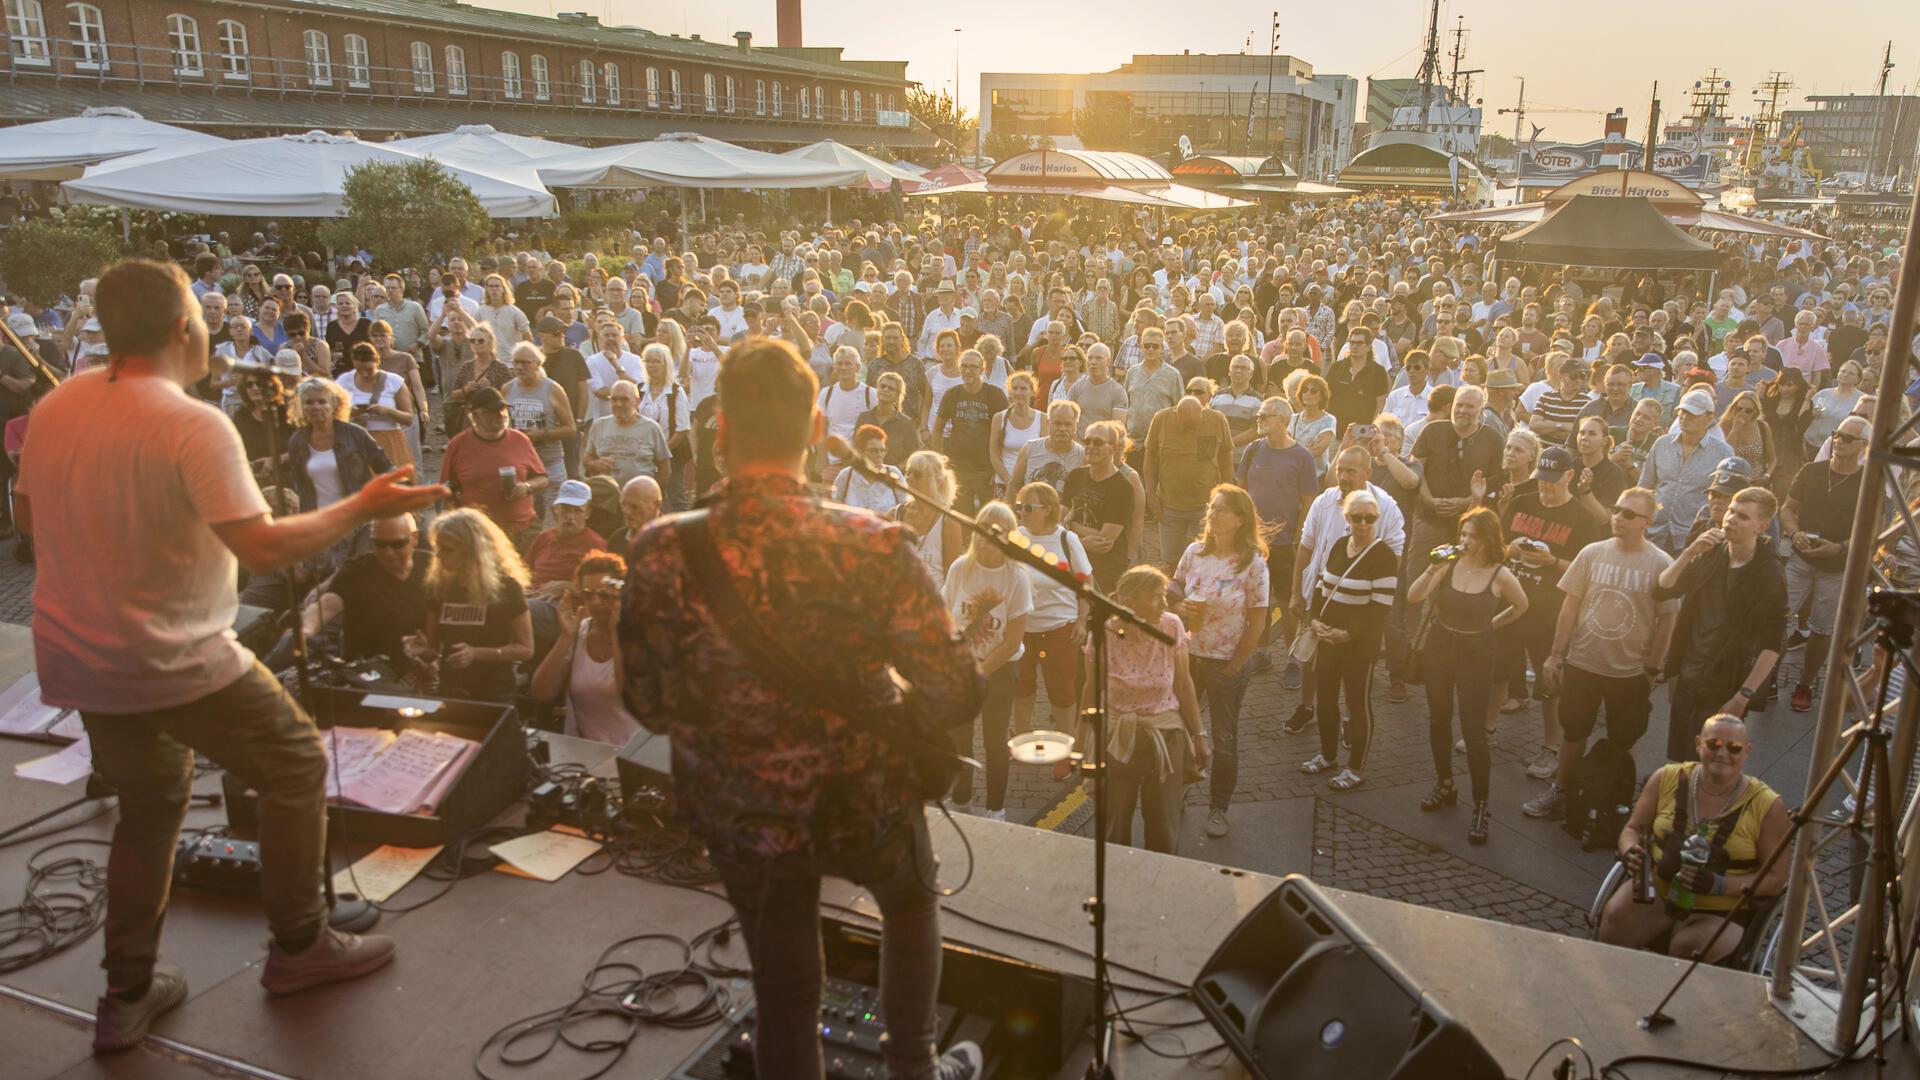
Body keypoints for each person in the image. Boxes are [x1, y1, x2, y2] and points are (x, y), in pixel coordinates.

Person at [25, 259, 442, 1052]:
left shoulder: (55, 407)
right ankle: (299, 947)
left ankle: (127, 994)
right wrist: (364, 504)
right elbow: (263, 547)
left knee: (148, 811)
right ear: (186, 326)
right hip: (171, 654)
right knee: (293, 766)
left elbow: (36, 511)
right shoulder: (191, 422)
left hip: (78, 656)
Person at [618, 336, 987, 1080]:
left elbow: (647, 703)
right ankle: (914, 1067)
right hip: (866, 799)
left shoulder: (662, 551)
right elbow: (956, 692)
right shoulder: (871, 544)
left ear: (717, 431)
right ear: (818, 431)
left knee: (784, 989)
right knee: (911, 901)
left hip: (739, 810)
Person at [1527, 487, 1678, 820]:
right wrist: (1556, 654)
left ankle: (1617, 802)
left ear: (1647, 523)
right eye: (1616, 510)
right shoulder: (1592, 553)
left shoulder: (1660, 564)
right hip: (1583, 663)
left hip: (1629, 672)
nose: (1618, 518)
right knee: (1574, 733)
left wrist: (1652, 669)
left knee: (1624, 739)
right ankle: (1560, 792)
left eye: (1628, 514)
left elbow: (1668, 620)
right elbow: (1570, 605)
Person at [1600, 715, 1790, 964]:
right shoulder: (1666, 778)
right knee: (1615, 922)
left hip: (1721, 907)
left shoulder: (1768, 806)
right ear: (1699, 744)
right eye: (1714, 744)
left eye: (1733, 748)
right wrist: (1630, 850)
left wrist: (1719, 884)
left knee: (1688, 946)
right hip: (1659, 890)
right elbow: (1633, 828)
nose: (1722, 753)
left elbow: (1775, 879)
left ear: (1747, 752)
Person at [1407, 507, 1529, 844]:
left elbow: (1522, 606)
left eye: (1472, 536)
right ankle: (1444, 782)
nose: (1465, 541)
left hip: (1477, 651)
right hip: (1441, 645)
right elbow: (1413, 596)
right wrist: (1434, 568)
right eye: (1463, 534)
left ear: (1489, 538)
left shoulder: (1500, 574)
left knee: (1474, 730)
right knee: (1438, 718)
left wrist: (1492, 624)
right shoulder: (1448, 565)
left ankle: (1480, 803)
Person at [1077, 564, 1207, 855]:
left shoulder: (1171, 625)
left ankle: (1158, 883)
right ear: (1129, 601)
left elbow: (1184, 685)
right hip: (1117, 737)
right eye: (1155, 596)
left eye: (1164, 596)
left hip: (1165, 736)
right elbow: (1090, 691)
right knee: (1114, 824)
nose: (1164, 603)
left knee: (1163, 825)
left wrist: (1199, 736)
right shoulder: (1101, 634)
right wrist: (1079, 744)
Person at [1498, 446, 1606, 783]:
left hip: (1551, 611)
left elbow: (1589, 571)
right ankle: (1487, 728)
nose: (1545, 487)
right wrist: (1509, 550)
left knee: (1550, 680)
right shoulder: (1521, 502)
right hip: (1511, 600)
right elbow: (1496, 546)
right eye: (1541, 480)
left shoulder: (1582, 519)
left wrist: (1553, 563)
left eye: (1552, 482)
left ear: (1570, 476)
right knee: (1496, 667)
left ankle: (1550, 747)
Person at [1658, 486, 1786, 761]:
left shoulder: (1769, 573)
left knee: (1711, 761)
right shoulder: (1711, 553)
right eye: (1730, 511)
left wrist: (1743, 696)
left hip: (1725, 682)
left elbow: (1773, 643)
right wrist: (1688, 552)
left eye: (1741, 516)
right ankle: (1679, 801)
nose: (1730, 519)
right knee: (1680, 756)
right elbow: (1665, 586)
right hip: (1688, 671)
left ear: (1761, 526)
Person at [1173, 484, 1269, 833]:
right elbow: (1175, 586)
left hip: (1225, 662)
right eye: (1211, 508)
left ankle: (1218, 808)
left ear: (1240, 520)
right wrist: (1178, 603)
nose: (1212, 514)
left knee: (1224, 739)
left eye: (1221, 509)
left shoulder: (1252, 563)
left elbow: (1258, 620)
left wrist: (1234, 665)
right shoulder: (1194, 552)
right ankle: (1179, 790)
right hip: (1188, 657)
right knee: (1180, 729)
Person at [1297, 489, 1399, 793]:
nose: (1364, 524)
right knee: (1326, 700)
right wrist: (1315, 620)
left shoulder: (1383, 557)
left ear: (1377, 520)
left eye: (1370, 518)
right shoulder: (1340, 545)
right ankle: (1328, 755)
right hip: (1327, 638)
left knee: (1357, 703)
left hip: (1358, 645)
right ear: (1347, 519)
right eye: (1357, 518)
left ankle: (1356, 767)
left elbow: (1379, 609)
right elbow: (1320, 586)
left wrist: (1348, 634)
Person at [942, 500, 1032, 820]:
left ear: (1008, 537)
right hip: (962, 668)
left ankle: (996, 808)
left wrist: (981, 671)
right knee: (960, 738)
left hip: (1000, 671)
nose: (983, 539)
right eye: (980, 529)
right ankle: (962, 799)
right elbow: (946, 620)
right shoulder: (959, 568)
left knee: (994, 742)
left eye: (993, 533)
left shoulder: (1016, 578)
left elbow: (1012, 641)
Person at [1780, 415, 1869, 713]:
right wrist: (1795, 533)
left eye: (1847, 437)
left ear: (1863, 445)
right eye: (1837, 434)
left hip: (1837, 566)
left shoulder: (1868, 481)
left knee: (1822, 629)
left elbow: (1871, 530)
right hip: (1800, 558)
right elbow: (1788, 509)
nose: (1839, 440)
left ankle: (1805, 683)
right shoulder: (1812, 471)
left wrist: (1840, 547)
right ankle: (1766, 677)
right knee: (1778, 617)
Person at [403, 508, 534, 702]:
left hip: (495, 694)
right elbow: (433, 648)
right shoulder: (440, 589)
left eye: (447, 549)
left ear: (472, 551)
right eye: (437, 548)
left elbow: (526, 648)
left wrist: (476, 653)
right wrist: (422, 650)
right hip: (451, 692)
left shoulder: (506, 588)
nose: (438, 555)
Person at [1236, 397, 1317, 675]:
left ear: (1283, 420)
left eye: (1265, 416)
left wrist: (1298, 536)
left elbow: (1309, 501)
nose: (1259, 420)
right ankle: (1263, 652)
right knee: (1258, 600)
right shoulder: (1253, 450)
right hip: (1254, 541)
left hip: (1285, 543)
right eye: (1259, 416)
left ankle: (1293, 658)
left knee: (1287, 601)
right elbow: (1241, 492)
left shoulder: (1302, 456)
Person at [530, 549, 641, 745]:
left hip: (637, 756)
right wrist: (567, 637)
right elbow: (542, 693)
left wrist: (616, 633)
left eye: (605, 595)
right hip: (583, 753)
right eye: (588, 595)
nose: (596, 602)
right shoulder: (579, 633)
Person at [287, 378, 393, 569]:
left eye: (322, 401)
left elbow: (386, 467)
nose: (316, 407)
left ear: (334, 404)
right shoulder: (297, 441)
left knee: (357, 574)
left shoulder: (356, 435)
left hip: (358, 522)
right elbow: (299, 487)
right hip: (320, 525)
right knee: (324, 580)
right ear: (301, 407)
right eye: (309, 402)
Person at [439, 385, 548, 548]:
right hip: (478, 534)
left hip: (521, 531)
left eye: (503, 409)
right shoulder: (458, 445)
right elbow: (446, 491)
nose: (500, 415)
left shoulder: (520, 439)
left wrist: (526, 487)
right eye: (492, 411)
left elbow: (542, 478)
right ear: (474, 416)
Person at [1143, 389, 1234, 566]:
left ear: (1203, 412)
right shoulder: (1161, 419)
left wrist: (1227, 494)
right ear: (1177, 414)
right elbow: (1150, 458)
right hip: (1169, 506)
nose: (1191, 430)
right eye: (1187, 426)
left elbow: (1226, 457)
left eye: (1195, 425)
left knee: (1208, 558)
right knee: (1170, 562)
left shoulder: (1217, 420)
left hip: (1207, 507)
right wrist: (1150, 495)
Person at [1641, 390, 1735, 555]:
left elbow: (1727, 499)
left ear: (1709, 418)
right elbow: (1644, 486)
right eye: (1682, 412)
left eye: (1692, 414)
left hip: (1694, 536)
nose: (1684, 417)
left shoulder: (1723, 453)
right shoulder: (1662, 444)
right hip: (1654, 532)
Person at [931, 349, 1009, 513]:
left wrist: (997, 468)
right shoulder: (952, 394)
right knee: (962, 519)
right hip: (959, 468)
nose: (968, 371)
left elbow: (1005, 434)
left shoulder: (995, 395)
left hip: (986, 468)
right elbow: (937, 430)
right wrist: (941, 464)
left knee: (988, 519)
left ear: (982, 369)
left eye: (973, 367)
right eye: (964, 366)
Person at [1063, 420, 1136, 591]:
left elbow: (1104, 541)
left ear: (1114, 447)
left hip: (1105, 572)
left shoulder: (1122, 488)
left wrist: (1072, 526)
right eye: (1087, 441)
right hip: (1072, 564)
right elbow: (1058, 522)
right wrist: (1082, 540)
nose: (1090, 446)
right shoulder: (1075, 476)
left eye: (1098, 442)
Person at [337, 342, 417, 472]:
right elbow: (333, 414)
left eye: (369, 370)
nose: (364, 375)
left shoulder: (394, 381)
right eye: (359, 370)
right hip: (356, 441)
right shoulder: (343, 381)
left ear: (377, 362)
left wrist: (388, 411)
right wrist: (351, 412)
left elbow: (408, 418)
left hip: (389, 440)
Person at [583, 380, 672, 489]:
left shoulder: (651, 428)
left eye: (624, 399)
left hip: (639, 498)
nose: (618, 404)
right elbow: (587, 458)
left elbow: (665, 468)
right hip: (607, 497)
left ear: (637, 401)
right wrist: (595, 464)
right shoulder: (599, 425)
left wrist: (652, 493)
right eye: (614, 399)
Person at [832, 424, 907, 515]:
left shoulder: (893, 473)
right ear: (861, 451)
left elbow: (905, 506)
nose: (880, 454)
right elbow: (835, 507)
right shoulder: (846, 475)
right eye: (874, 450)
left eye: (883, 450)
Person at [856, 370, 921, 469]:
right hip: (865, 476)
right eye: (882, 386)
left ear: (898, 395)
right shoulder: (863, 418)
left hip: (892, 479)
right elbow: (857, 449)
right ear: (877, 388)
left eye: (891, 388)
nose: (885, 390)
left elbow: (913, 456)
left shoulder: (907, 424)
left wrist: (892, 471)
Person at [605, 475, 663, 553]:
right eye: (623, 505)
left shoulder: (674, 539)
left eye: (634, 507)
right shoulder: (617, 539)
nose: (626, 512)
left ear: (657, 505)